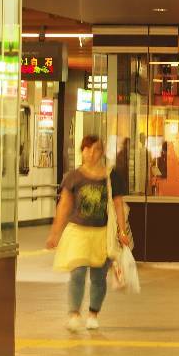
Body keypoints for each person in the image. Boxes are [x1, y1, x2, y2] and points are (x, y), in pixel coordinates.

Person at [46, 135, 130, 332]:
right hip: (78, 232)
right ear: (82, 151)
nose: (92, 153)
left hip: (102, 233)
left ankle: (93, 313)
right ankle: (74, 314)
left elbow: (118, 205)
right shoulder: (73, 177)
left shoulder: (111, 176)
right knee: (78, 272)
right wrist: (55, 233)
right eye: (88, 149)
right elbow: (64, 206)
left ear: (102, 152)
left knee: (99, 277)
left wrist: (122, 230)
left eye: (97, 149)